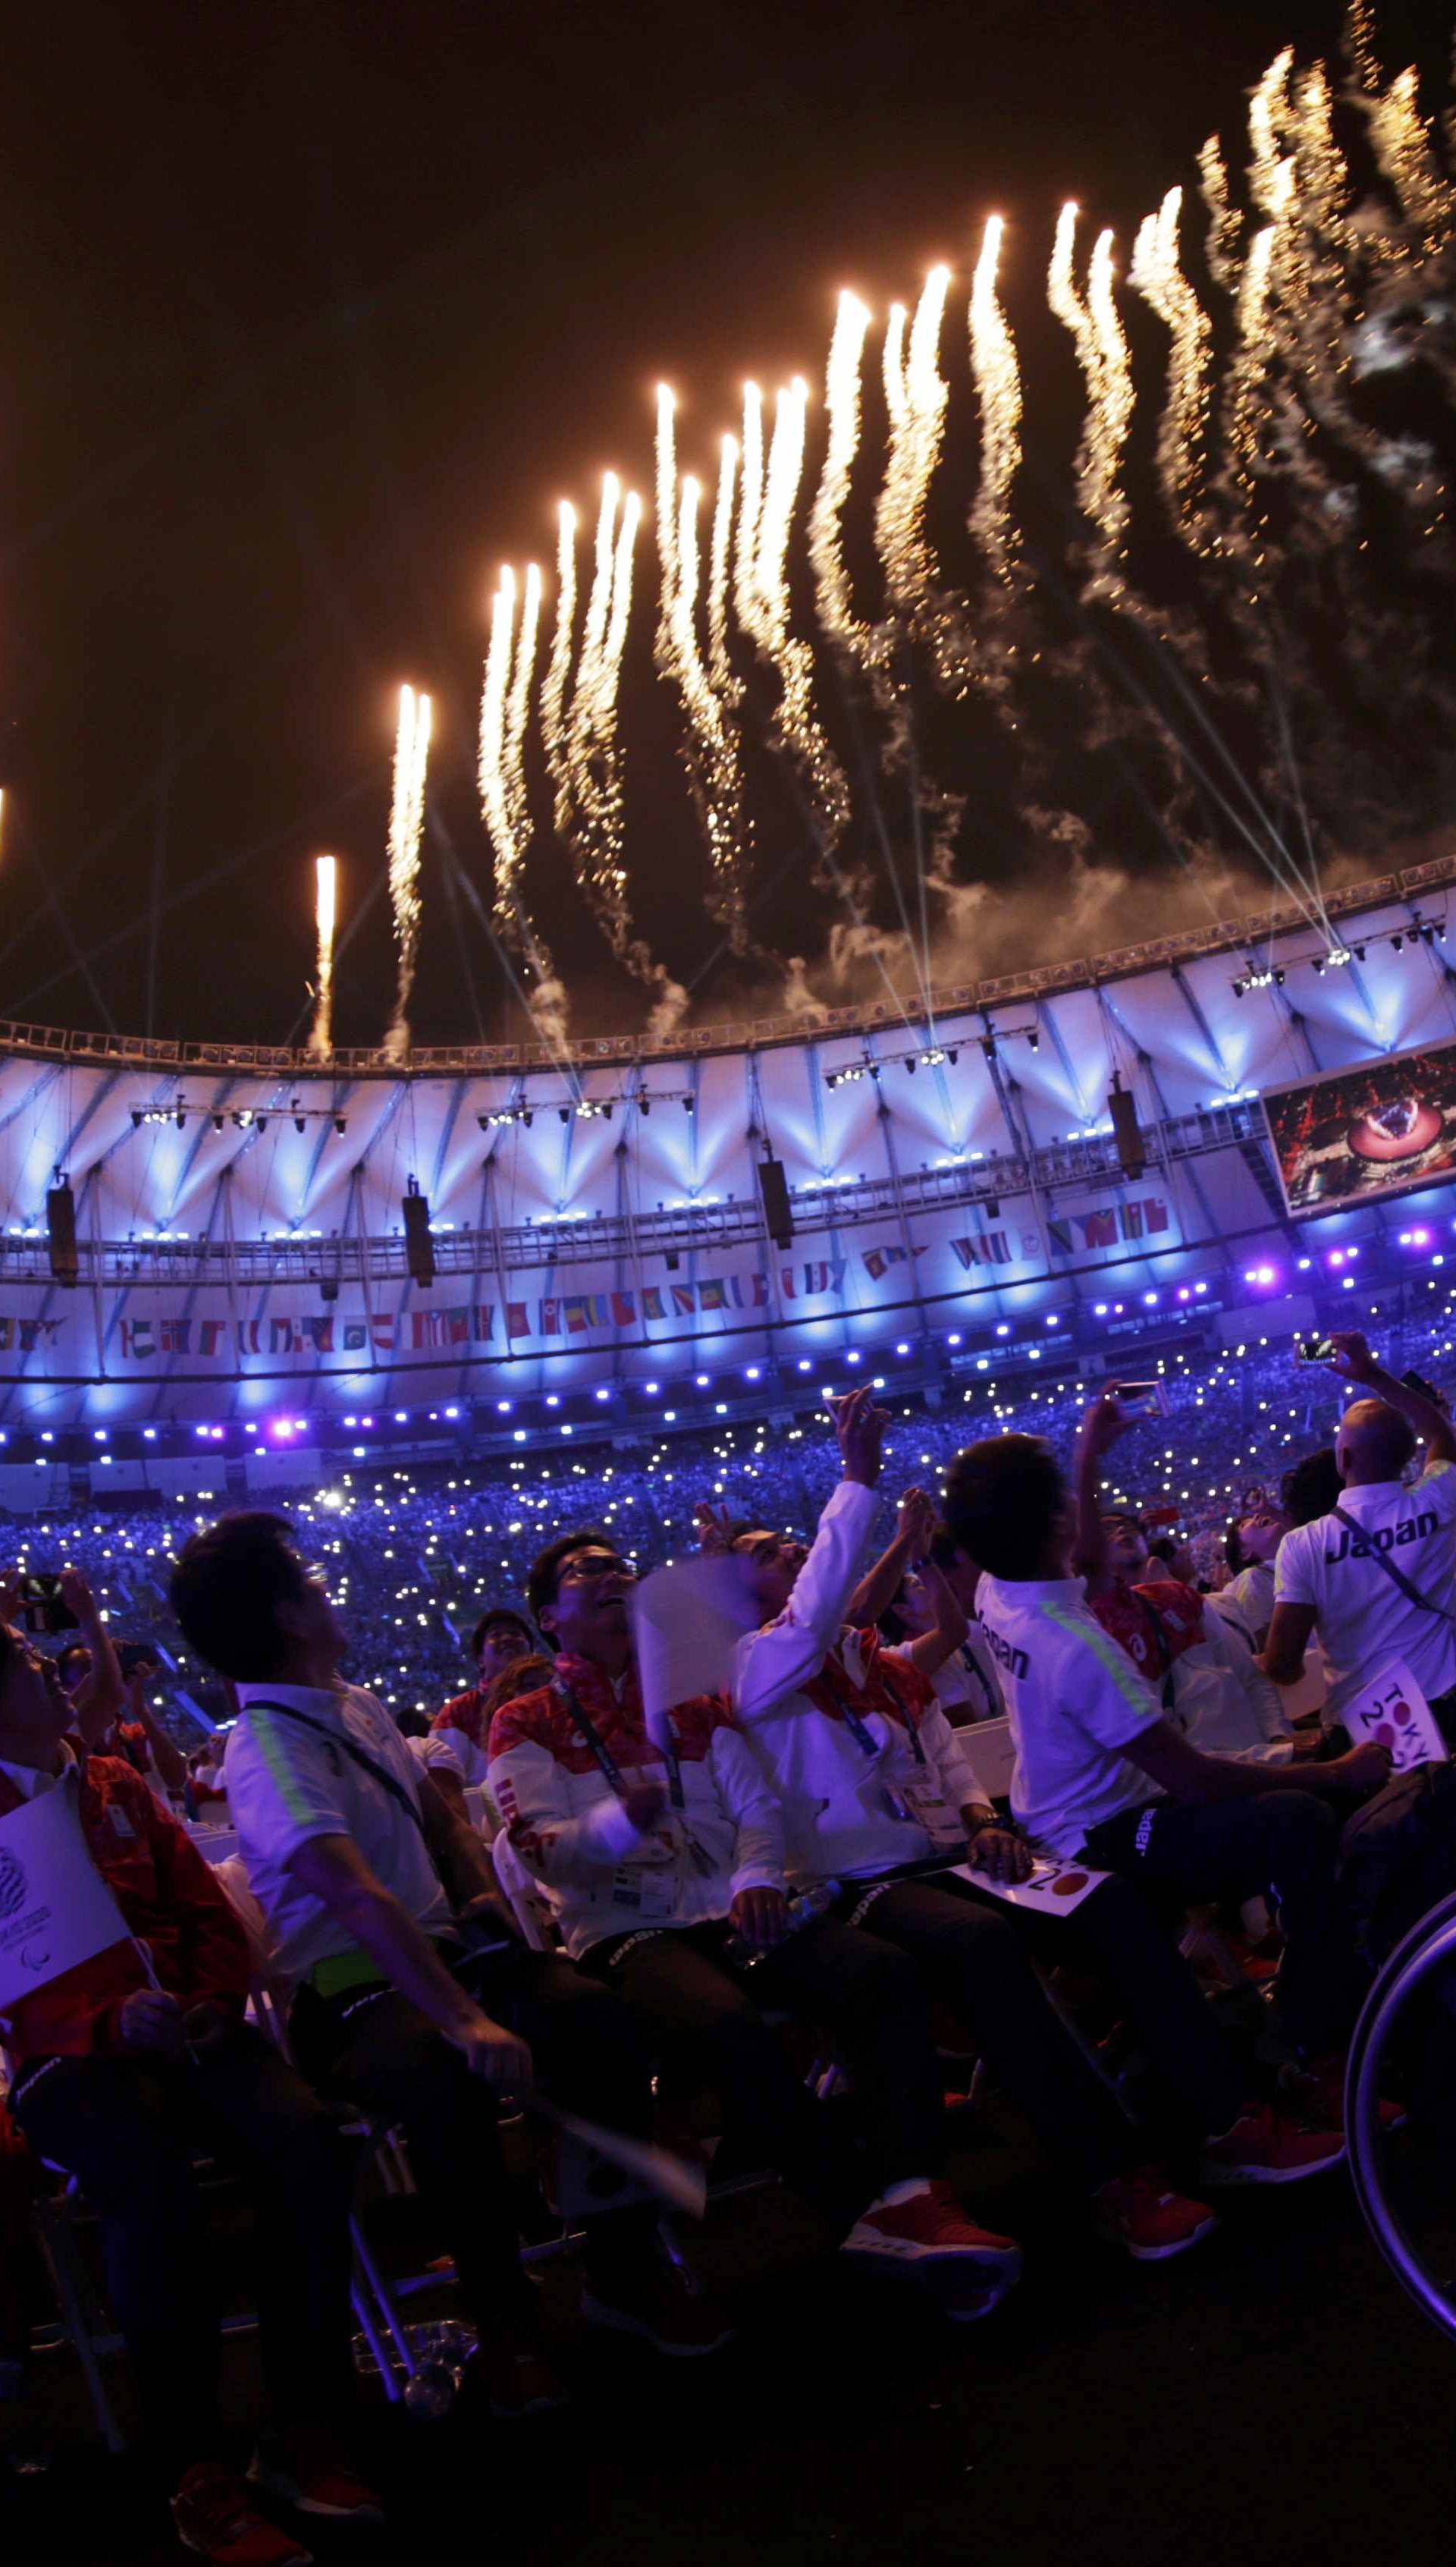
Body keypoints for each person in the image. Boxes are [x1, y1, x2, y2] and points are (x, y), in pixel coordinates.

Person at [169, 1512, 703, 2402]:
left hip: (446, 1954)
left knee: (592, 2016)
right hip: (350, 1986)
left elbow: (440, 1819)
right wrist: (464, 2017)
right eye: (305, 1582)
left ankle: (621, 2275)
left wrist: (482, 1897)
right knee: (442, 2077)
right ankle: (506, 2322)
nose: (323, 1590)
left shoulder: (355, 1703)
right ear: (284, 1616)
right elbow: (355, 1898)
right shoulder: (265, 1750)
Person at [729, 1388, 1221, 2263]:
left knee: (1104, 1903)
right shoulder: (759, 1665)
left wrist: (980, 1818)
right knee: (980, 1945)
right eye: (769, 1552)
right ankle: (1114, 2176)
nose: (793, 1548)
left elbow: (943, 1760)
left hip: (956, 1857)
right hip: (864, 1889)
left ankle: (1223, 2111)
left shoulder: (873, 1662)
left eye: (792, 1541)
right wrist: (857, 1481)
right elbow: (813, 1612)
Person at [494, 1521, 1024, 2322]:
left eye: (618, 1565)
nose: (611, 1575)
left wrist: (752, 1875)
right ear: (547, 1617)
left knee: (879, 1971)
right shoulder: (526, 1721)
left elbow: (755, 1808)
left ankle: (915, 2188)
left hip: (738, 1908)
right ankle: (863, 2213)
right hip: (626, 1932)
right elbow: (539, 1851)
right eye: (583, 1572)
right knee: (727, 2023)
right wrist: (618, 1825)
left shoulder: (692, 1700)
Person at [0, 1608, 374, 2565]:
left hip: (191, 2032)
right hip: (64, 2064)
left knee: (307, 2142)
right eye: (29, 1663)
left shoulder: (116, 1783)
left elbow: (203, 1909)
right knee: (150, 2188)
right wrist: (102, 2023)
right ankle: (192, 2468)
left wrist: (211, 1997)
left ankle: (304, 2424)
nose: (54, 1669)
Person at [944, 1428, 1389, 2150]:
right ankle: (1314, 2047)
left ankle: (1310, 2020)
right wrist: (1338, 1770)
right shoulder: (1077, 1648)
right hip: (1105, 1835)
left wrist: (1088, 1457)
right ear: (1053, 1521)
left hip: (1073, 1816)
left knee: (1292, 1809)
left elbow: (1080, 1559)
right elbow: (1196, 1778)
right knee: (1299, 1817)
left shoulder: (1002, 1592)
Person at [1074, 1399, 1291, 1765]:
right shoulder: (1095, 1626)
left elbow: (1251, 1679)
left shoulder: (1182, 1599)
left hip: (1261, 1757)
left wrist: (1280, 1739)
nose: (1121, 1532)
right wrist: (1089, 1457)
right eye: (1107, 1531)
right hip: (1199, 1781)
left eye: (1126, 1527)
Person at [1263, 1335, 1456, 1740]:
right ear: (1406, 1456)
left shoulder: (1304, 1544)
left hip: (1370, 1735)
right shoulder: (1438, 1497)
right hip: (1449, 1705)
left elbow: (1283, 1664)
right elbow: (1440, 1432)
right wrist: (1374, 1376)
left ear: (1343, 1459)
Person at [427, 1606, 538, 1788]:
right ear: (480, 1660)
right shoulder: (458, 1713)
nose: (508, 1639)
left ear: (531, 1652)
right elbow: (444, 1784)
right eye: (496, 1635)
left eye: (516, 1634)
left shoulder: (557, 1699)